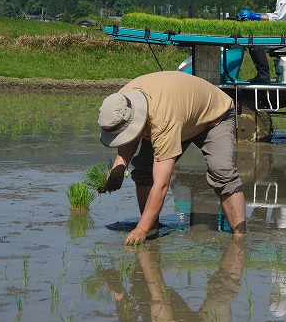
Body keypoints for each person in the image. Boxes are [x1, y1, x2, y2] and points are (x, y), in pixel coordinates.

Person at [97, 71, 246, 245]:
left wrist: (140, 229)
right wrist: (119, 165)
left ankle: (240, 238)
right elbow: (129, 134)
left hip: (213, 117)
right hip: (179, 115)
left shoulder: (163, 120)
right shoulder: (121, 100)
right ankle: (152, 226)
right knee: (144, 169)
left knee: (222, 171)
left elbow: (162, 184)